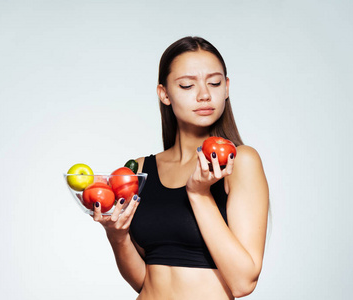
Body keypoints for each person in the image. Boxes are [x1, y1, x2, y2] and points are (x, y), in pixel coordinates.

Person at [92, 36, 269, 299]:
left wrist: (199, 194)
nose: (205, 94)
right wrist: (116, 236)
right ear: (164, 94)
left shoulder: (239, 162)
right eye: (187, 85)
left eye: (215, 82)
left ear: (227, 87)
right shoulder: (140, 170)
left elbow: (243, 282)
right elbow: (144, 280)